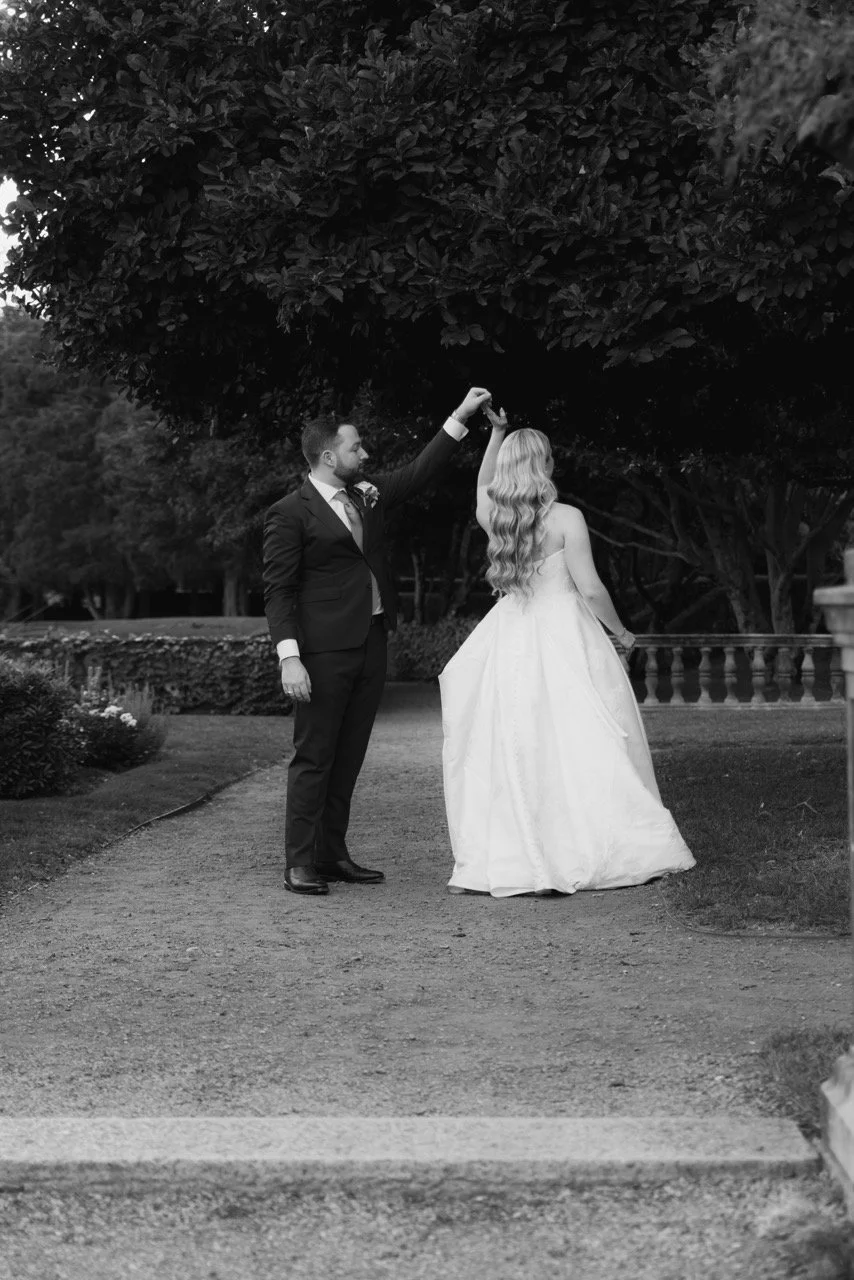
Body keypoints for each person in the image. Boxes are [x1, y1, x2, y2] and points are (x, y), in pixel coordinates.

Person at [439, 410, 695, 897]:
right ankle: (586, 843)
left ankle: (523, 851)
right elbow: (592, 589)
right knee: (583, 736)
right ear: (546, 465)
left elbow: (482, 486)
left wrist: (493, 435)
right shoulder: (566, 518)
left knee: (519, 741)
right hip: (564, 635)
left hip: (512, 638)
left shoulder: (497, 518)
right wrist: (620, 632)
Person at [264, 387, 492, 895]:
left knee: (349, 755)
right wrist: (290, 659)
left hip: (371, 641)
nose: (365, 455)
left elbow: (418, 472)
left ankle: (331, 854)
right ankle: (300, 861)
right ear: (329, 457)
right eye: (355, 448)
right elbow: (278, 592)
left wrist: (460, 416)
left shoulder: (366, 494)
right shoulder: (289, 513)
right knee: (314, 755)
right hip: (320, 653)